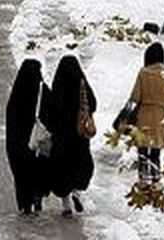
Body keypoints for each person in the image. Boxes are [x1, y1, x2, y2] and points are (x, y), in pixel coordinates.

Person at [47, 55, 97, 216]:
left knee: (62, 170)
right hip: (80, 137)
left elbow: (51, 110)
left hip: (62, 138)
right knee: (80, 165)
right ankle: (77, 191)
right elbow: (93, 103)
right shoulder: (82, 84)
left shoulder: (59, 85)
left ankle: (66, 205)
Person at [6, 59, 52, 216]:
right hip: (38, 143)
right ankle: (37, 196)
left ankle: (25, 204)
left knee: (21, 173)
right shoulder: (43, 91)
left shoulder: (16, 93)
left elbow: (10, 119)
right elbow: (51, 114)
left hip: (19, 145)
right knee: (38, 169)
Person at [130, 42, 164, 183]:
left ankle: (143, 180)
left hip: (143, 115)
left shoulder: (143, 73)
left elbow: (135, 96)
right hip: (160, 117)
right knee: (155, 152)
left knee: (143, 151)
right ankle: (156, 179)